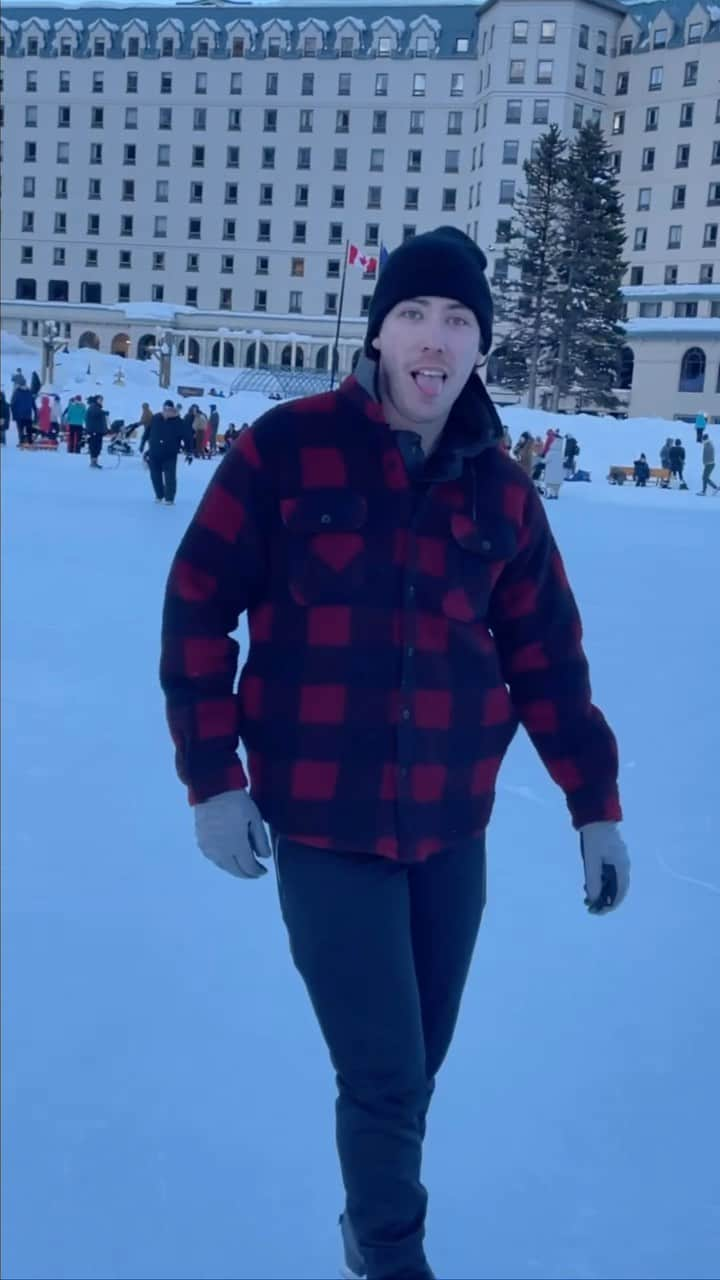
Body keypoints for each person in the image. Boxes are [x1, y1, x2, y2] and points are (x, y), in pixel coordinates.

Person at [159, 227, 629, 1280]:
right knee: (382, 1070)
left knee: (416, 1071)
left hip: (450, 826)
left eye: (459, 321)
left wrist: (593, 802)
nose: (436, 338)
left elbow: (547, 655)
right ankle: (390, 1256)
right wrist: (213, 780)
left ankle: (368, 1227)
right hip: (326, 822)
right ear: (380, 331)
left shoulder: (502, 492)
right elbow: (196, 609)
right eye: (417, 313)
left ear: (479, 349)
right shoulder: (285, 450)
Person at [139, 398, 194, 505]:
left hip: (170, 454)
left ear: (173, 409)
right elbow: (148, 431)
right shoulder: (156, 418)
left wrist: (189, 452)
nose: (166, 410)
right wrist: (142, 443)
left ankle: (169, 498)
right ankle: (159, 495)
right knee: (155, 476)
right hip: (154, 452)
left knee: (170, 477)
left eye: (169, 409)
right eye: (165, 408)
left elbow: (187, 438)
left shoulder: (179, 422)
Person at [85, 395, 107, 469]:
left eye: (102, 400)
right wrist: (103, 413)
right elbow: (95, 413)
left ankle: (95, 461)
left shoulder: (97, 408)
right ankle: (93, 462)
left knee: (97, 447)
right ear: (96, 400)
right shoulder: (93, 407)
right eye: (100, 400)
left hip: (98, 431)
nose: (101, 401)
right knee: (94, 447)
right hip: (94, 431)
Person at [543, 430, 565, 499]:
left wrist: (542, 461)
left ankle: (551, 495)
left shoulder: (551, 453)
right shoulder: (560, 453)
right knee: (556, 485)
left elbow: (546, 460)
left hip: (551, 473)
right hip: (558, 474)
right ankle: (556, 494)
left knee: (551, 484)